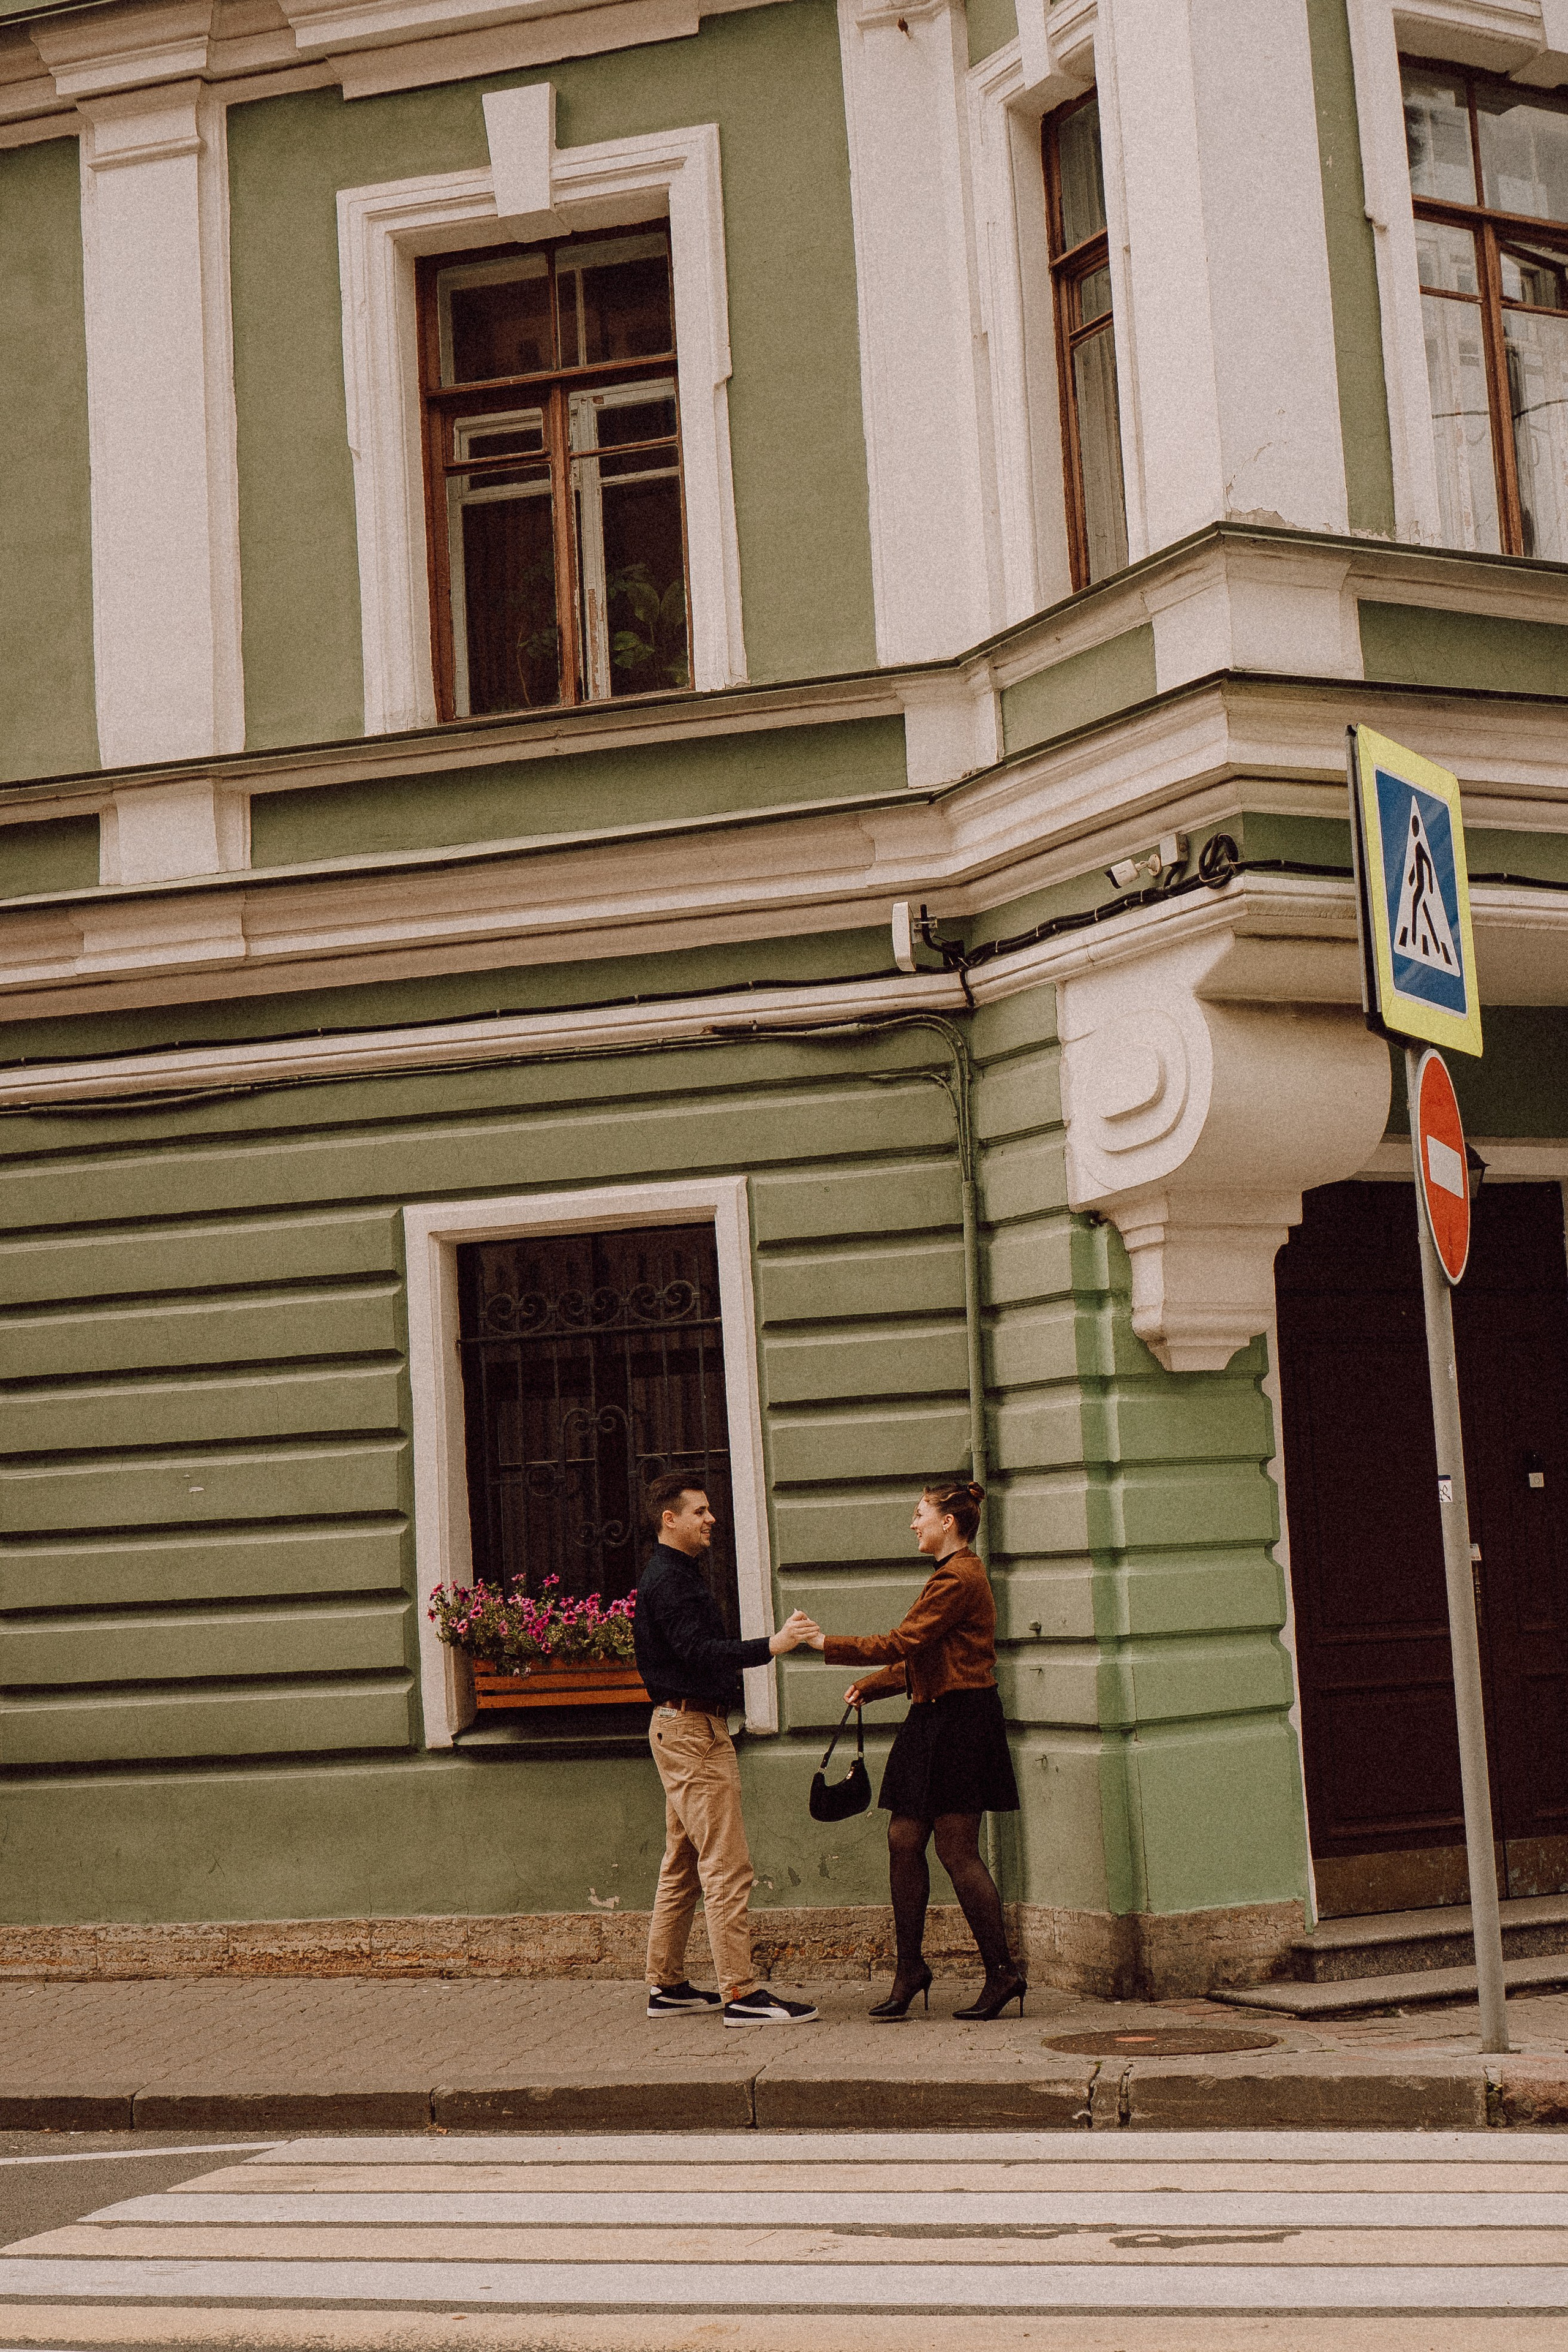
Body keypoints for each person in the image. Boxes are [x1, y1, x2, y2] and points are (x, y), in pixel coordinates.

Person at [804, 1477, 1024, 2021]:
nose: (913, 1522)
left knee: (956, 1850)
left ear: (948, 1522)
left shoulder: (959, 1577)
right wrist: (872, 1686)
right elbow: (921, 1657)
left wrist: (824, 1645)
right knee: (904, 1839)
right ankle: (911, 1969)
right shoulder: (947, 1577)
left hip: (962, 1721)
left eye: (919, 1513)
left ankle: (1002, 1974)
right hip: (933, 1719)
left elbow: (902, 1642)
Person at [634, 1471, 822, 2027]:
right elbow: (697, 1652)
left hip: (684, 1728)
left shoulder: (675, 1575)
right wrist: (775, 1645)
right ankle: (740, 1994)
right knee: (726, 1866)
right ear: (670, 1519)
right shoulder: (670, 1581)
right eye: (700, 1511)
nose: (711, 1518)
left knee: (685, 1864)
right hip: (693, 1734)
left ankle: (666, 1986)